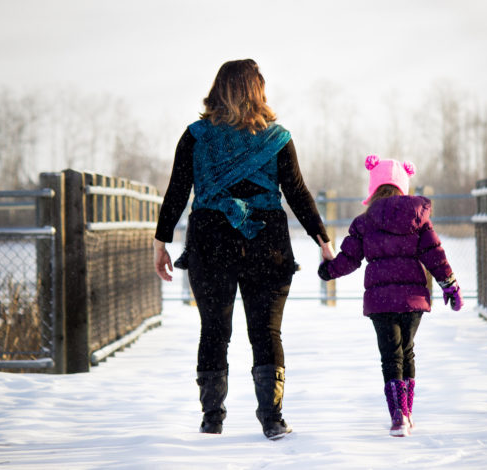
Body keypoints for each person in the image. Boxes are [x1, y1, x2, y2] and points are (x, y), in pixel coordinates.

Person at [153, 59, 335, 440]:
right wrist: (322, 238)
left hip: (210, 240)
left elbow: (177, 191)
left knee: (214, 331)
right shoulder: (277, 138)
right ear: (258, 92)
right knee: (266, 332)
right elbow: (297, 193)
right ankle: (272, 419)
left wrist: (161, 242)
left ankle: (212, 418)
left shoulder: (196, 136)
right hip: (265, 242)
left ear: (218, 90)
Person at [317, 155, 463, 437]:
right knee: (407, 350)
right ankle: (407, 413)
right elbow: (435, 256)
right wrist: (450, 285)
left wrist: (328, 271)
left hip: (380, 301)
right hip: (412, 299)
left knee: (390, 355)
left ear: (374, 187)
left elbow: (349, 258)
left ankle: (397, 416)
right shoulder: (418, 217)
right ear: (402, 186)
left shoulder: (364, 221)